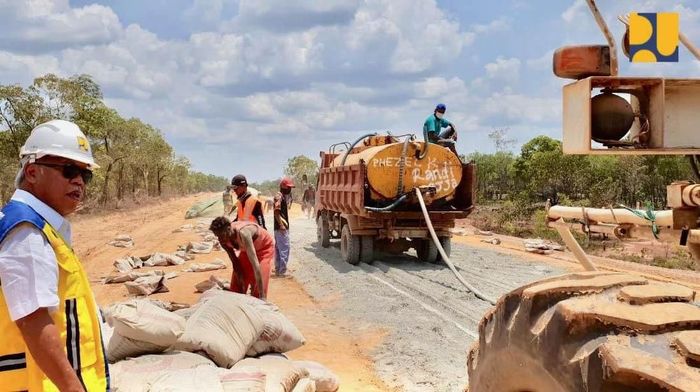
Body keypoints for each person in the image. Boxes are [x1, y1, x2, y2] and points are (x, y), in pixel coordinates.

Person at [0, 119, 109, 391]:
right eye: (69, 170)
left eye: (85, 175)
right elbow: (33, 321)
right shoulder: (26, 231)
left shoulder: (43, 227)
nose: (78, 181)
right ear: (33, 172)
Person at [210, 217, 273, 300]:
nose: (220, 239)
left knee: (259, 283)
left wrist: (262, 296)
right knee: (236, 285)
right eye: (217, 236)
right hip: (245, 250)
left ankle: (259, 297)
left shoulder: (244, 233)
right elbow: (235, 262)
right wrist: (240, 281)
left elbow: (255, 265)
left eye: (221, 235)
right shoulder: (223, 240)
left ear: (229, 229)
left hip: (264, 248)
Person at [273, 178, 294, 276]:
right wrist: (281, 225)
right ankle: (282, 271)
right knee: (285, 248)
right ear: (283, 187)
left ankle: (278, 269)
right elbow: (276, 211)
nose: (290, 189)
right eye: (289, 187)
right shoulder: (279, 196)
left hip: (280, 227)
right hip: (281, 227)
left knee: (278, 248)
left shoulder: (282, 196)